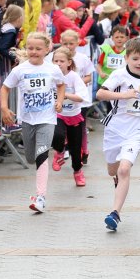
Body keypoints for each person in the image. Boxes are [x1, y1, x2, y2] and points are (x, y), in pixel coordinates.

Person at [96, 37, 140, 231]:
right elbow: (100, 94)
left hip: (136, 131)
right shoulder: (119, 75)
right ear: (126, 58)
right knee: (113, 170)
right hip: (115, 129)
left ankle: (115, 214)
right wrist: (123, 95)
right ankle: (116, 178)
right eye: (135, 59)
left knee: (124, 169)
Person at [0, 32, 65, 212]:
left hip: (47, 118)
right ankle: (39, 192)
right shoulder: (20, 70)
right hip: (28, 119)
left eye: (38, 49)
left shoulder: (53, 69)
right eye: (30, 48)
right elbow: (5, 88)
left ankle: (40, 197)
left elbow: (61, 85)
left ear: (46, 50)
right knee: (31, 158)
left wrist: (59, 101)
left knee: (41, 155)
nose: (34, 52)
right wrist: (4, 108)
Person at [50, 47, 91, 187]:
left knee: (75, 149)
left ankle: (78, 172)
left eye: (61, 61)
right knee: (57, 135)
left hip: (74, 115)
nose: (58, 64)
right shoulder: (50, 76)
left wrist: (65, 95)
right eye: (56, 61)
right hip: (58, 114)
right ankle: (59, 152)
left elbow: (81, 97)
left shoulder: (73, 77)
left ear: (69, 62)